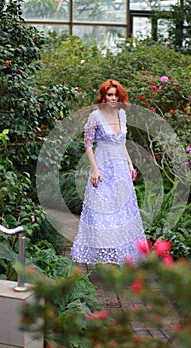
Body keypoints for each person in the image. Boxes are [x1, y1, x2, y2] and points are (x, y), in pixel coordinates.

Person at [71, 79, 149, 265]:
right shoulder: (95, 116)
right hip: (103, 167)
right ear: (103, 96)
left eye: (116, 95)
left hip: (121, 169)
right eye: (110, 95)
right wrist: (95, 170)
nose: (113, 98)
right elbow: (88, 145)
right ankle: (100, 254)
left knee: (123, 211)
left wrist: (130, 164)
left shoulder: (122, 115)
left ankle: (123, 256)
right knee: (101, 211)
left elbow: (121, 142)